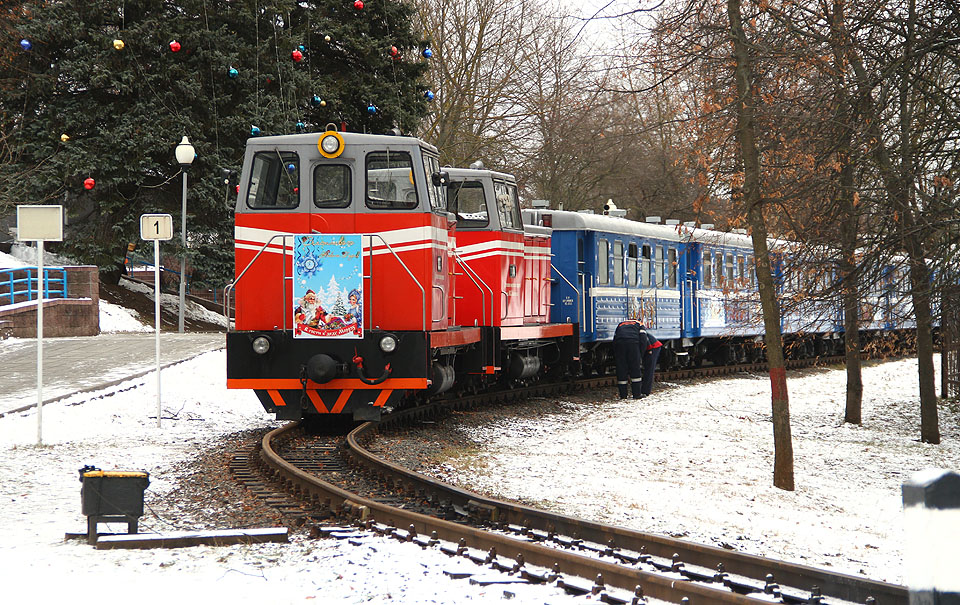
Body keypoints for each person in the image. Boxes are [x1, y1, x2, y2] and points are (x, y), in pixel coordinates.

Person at [613, 319, 645, 399]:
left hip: (620, 345)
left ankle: (623, 395)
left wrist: (616, 353)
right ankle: (637, 394)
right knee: (635, 369)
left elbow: (615, 339)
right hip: (633, 345)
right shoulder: (640, 324)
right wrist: (640, 354)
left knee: (621, 369)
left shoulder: (621, 324)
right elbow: (643, 340)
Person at [638, 323, 662, 397]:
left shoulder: (639, 333)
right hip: (649, 346)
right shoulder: (633, 331)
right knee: (647, 368)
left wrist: (640, 357)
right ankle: (642, 389)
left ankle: (646, 391)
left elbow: (645, 342)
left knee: (649, 369)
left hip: (653, 347)